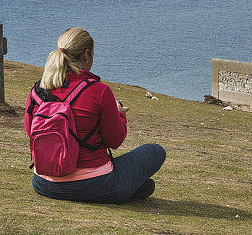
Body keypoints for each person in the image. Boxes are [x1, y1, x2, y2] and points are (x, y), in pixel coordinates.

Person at [28, 27, 165, 203]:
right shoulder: (98, 91)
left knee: (144, 184)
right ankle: (128, 190)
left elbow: (31, 132)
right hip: (94, 185)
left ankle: (134, 189)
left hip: (44, 183)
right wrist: (119, 113)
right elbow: (115, 141)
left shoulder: (38, 90)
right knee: (155, 151)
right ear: (86, 55)